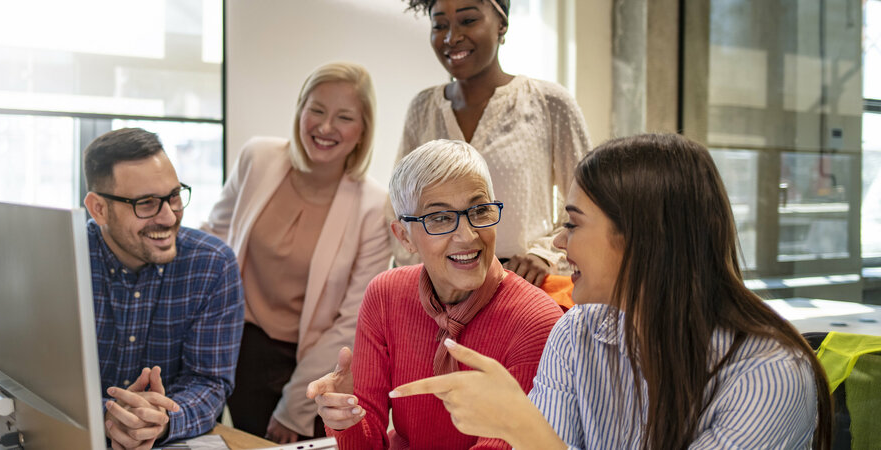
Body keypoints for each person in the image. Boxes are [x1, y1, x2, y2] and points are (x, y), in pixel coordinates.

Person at [391, 133, 834, 449]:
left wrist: (523, 429)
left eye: (573, 223)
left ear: (642, 237)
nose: (560, 243)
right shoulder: (577, 333)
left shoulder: (768, 375)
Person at [306, 139, 564, 449]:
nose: (467, 235)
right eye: (440, 218)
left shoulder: (537, 319)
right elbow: (367, 442)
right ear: (404, 237)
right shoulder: (385, 296)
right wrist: (346, 418)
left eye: (479, 210)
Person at [202, 62, 391, 443]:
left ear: (363, 131)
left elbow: (353, 317)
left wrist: (296, 404)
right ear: (300, 109)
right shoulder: (257, 157)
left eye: (344, 117)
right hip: (238, 347)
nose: (325, 127)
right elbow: (213, 245)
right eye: (316, 110)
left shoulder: (374, 205)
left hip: (314, 364)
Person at [394, 0, 590, 287]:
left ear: (502, 24)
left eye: (468, 20)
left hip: (526, 289)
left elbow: (588, 206)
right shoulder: (423, 108)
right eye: (440, 25)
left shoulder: (548, 103)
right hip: (442, 296)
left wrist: (544, 255)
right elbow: (401, 210)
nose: (451, 37)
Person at [82, 128, 244, 450]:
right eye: (146, 203)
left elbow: (209, 383)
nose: (169, 216)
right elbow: (43, 385)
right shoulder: (62, 259)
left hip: (166, 440)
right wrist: (111, 416)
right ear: (99, 208)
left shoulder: (213, 264)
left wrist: (159, 420)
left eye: (173, 195)